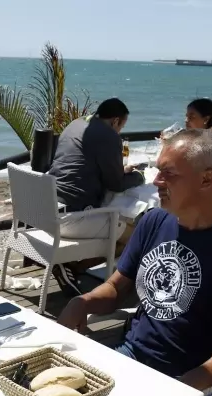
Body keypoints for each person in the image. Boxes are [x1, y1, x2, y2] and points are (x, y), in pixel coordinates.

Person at [57, 129, 212, 396]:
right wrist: (83, 302)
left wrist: (179, 387)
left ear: (207, 179)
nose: (156, 182)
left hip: (196, 382)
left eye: (168, 174)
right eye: (158, 171)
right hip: (132, 357)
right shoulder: (155, 220)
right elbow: (116, 288)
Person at [46, 98, 145, 293]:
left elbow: (84, 163)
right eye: (121, 127)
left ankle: (75, 266)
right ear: (115, 121)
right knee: (136, 236)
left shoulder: (76, 124)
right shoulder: (109, 136)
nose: (119, 132)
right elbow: (115, 184)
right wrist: (139, 176)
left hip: (47, 209)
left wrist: (119, 170)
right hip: (72, 219)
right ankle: (114, 291)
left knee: (120, 229)